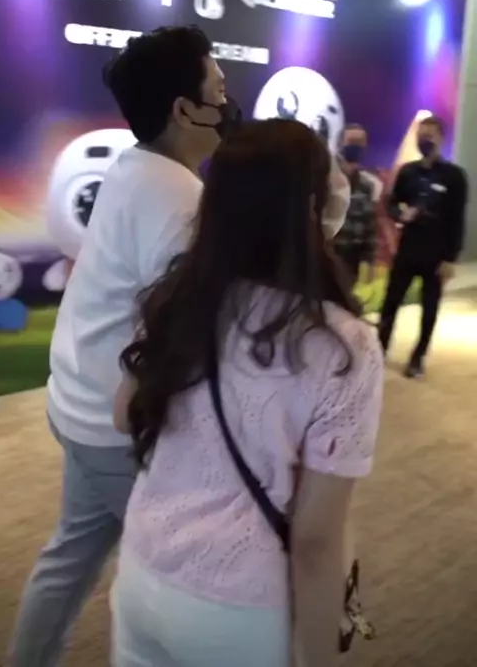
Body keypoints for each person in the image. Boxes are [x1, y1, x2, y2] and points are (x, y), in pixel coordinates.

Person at [111, 119, 384, 667]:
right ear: (311, 209)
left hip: (142, 570)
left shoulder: (180, 298)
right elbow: (315, 539)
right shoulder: (343, 347)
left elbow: (124, 415)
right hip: (239, 607)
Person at [8, 26, 238, 667]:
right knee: (171, 584)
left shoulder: (135, 167)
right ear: (185, 109)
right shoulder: (180, 198)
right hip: (115, 425)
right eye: (219, 90)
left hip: (77, 402)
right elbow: (187, 330)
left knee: (71, 553)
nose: (229, 102)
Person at [378, 114, 468, 378]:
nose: (424, 140)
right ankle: (378, 349)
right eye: (421, 135)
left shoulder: (454, 176)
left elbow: (457, 219)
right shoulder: (408, 172)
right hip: (408, 248)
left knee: (429, 308)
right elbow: (392, 202)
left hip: (437, 253)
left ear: (441, 138)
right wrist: (399, 214)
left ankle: (417, 358)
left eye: (430, 135)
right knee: (391, 301)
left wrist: (450, 258)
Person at [334, 124, 378, 286]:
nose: (356, 146)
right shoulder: (325, 178)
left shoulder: (367, 185)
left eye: (360, 142)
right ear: (340, 144)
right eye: (352, 141)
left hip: (353, 258)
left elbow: (370, 225)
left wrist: (369, 260)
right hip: (329, 253)